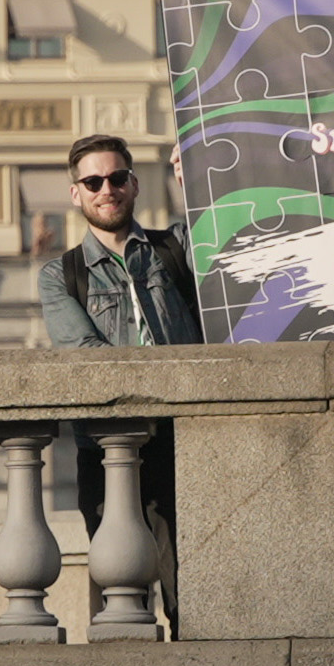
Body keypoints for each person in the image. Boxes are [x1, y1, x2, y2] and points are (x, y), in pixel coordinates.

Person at [36, 132, 203, 618]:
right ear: (76, 194)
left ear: (134, 184)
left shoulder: (173, 249)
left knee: (190, 592)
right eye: (92, 181)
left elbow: (222, 244)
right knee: (124, 598)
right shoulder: (61, 274)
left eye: (116, 178)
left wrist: (193, 184)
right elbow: (88, 358)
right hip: (107, 449)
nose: (105, 189)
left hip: (184, 443)